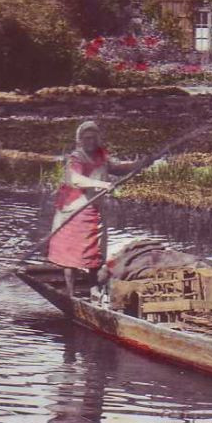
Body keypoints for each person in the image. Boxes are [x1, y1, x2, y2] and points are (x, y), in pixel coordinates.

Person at [49, 120, 151, 300]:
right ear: (80, 140)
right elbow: (75, 180)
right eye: (87, 138)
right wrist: (100, 184)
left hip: (94, 211)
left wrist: (139, 164)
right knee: (70, 255)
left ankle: (93, 290)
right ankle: (70, 294)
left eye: (93, 138)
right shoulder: (76, 158)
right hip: (74, 211)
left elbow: (117, 168)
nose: (90, 142)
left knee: (94, 253)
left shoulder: (100, 156)